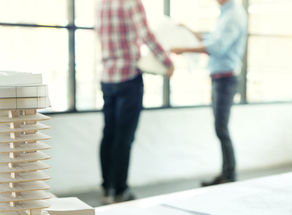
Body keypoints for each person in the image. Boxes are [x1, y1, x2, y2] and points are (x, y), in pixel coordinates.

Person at [97, 0, 174, 204]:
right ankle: (121, 191)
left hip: (107, 76)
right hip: (128, 77)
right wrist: (167, 62)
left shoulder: (102, 3)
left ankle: (107, 189)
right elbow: (146, 35)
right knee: (124, 138)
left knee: (109, 135)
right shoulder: (131, 3)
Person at [171, 0, 247, 186]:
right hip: (220, 78)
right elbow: (211, 40)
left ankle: (229, 176)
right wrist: (188, 30)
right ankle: (227, 174)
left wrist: (183, 49)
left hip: (226, 79)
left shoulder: (233, 15)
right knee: (220, 128)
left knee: (221, 128)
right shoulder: (225, 13)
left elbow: (216, 47)